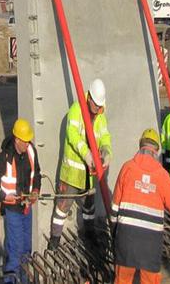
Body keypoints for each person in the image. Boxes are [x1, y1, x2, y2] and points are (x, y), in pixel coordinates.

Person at [111, 129, 170, 284]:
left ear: (140, 146)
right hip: (151, 244)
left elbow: (114, 207)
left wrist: (114, 232)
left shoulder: (127, 168)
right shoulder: (161, 175)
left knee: (122, 280)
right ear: (156, 150)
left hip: (126, 239)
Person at [48, 78, 111, 250]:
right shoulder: (77, 110)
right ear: (89, 97)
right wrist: (87, 154)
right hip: (72, 174)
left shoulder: (100, 115)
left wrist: (106, 151)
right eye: (96, 105)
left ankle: (89, 234)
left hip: (88, 176)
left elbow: (105, 136)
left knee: (89, 208)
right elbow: (73, 135)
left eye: (100, 106)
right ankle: (54, 241)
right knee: (62, 208)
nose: (98, 109)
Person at [0, 118, 41, 282]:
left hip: (26, 209)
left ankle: (23, 280)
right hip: (13, 211)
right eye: (24, 141)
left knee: (26, 249)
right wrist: (4, 196)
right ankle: (11, 280)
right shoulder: (5, 157)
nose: (27, 144)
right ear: (16, 139)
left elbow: (37, 173)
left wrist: (36, 191)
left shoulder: (31, 150)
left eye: (28, 140)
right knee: (15, 251)